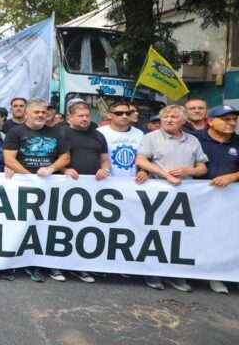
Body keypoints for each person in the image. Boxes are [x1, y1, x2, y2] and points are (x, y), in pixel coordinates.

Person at [135, 104, 208, 292]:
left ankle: (174, 274)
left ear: (184, 121)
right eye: (165, 117)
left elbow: (202, 167)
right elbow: (141, 160)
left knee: (179, 235)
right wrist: (166, 175)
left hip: (185, 195)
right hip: (158, 193)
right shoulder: (151, 137)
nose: (168, 120)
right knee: (155, 234)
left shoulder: (193, 141)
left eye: (174, 117)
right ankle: (152, 273)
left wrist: (187, 171)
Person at [2, 97, 70, 283]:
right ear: (26, 114)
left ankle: (34, 264)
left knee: (39, 226)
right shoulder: (16, 132)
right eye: (36, 112)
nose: (41, 115)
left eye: (43, 112)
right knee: (16, 224)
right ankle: (10, 264)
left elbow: (65, 157)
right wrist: (28, 177)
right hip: (21, 186)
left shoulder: (55, 132)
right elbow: (9, 159)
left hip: (46, 187)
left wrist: (50, 169)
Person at [52, 99, 111, 283]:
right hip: (65, 188)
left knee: (84, 229)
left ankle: (79, 267)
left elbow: (104, 159)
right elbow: (53, 157)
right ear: (71, 115)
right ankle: (55, 265)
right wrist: (64, 170)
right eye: (81, 116)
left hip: (91, 190)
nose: (85, 119)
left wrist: (105, 169)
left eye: (87, 116)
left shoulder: (98, 135)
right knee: (61, 227)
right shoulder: (60, 131)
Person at [193, 105, 239, 294]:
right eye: (226, 119)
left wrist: (232, 177)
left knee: (220, 237)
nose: (232, 123)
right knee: (194, 235)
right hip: (195, 199)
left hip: (226, 202)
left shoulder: (238, 142)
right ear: (209, 122)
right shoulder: (195, 140)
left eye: (234, 119)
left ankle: (216, 275)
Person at [96, 101, 148, 182]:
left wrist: (144, 171)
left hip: (134, 182)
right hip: (106, 181)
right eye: (119, 113)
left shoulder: (139, 133)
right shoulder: (99, 132)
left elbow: (145, 156)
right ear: (109, 115)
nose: (124, 116)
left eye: (128, 113)